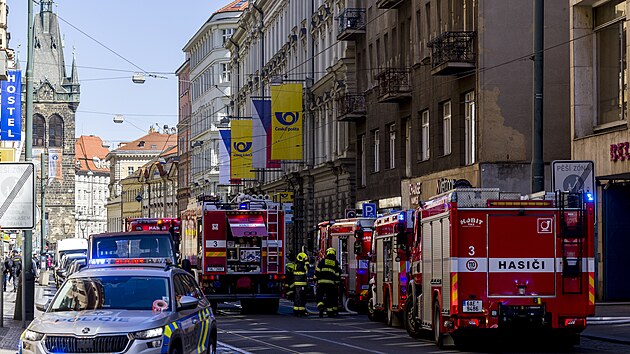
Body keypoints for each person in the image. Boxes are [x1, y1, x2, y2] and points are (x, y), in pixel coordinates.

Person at [315, 247, 341, 318]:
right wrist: (337, 283)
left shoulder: (322, 261)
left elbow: (317, 271)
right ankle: (330, 313)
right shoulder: (336, 263)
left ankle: (320, 307)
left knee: (319, 296)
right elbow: (338, 274)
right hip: (331, 284)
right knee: (330, 298)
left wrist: (315, 279)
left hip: (321, 283)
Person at [292, 252, 309, 316]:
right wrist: (307, 262)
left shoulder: (295, 264)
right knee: (302, 297)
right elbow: (307, 269)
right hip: (302, 284)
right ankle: (301, 311)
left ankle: (296, 310)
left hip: (296, 284)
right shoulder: (303, 265)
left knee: (297, 297)